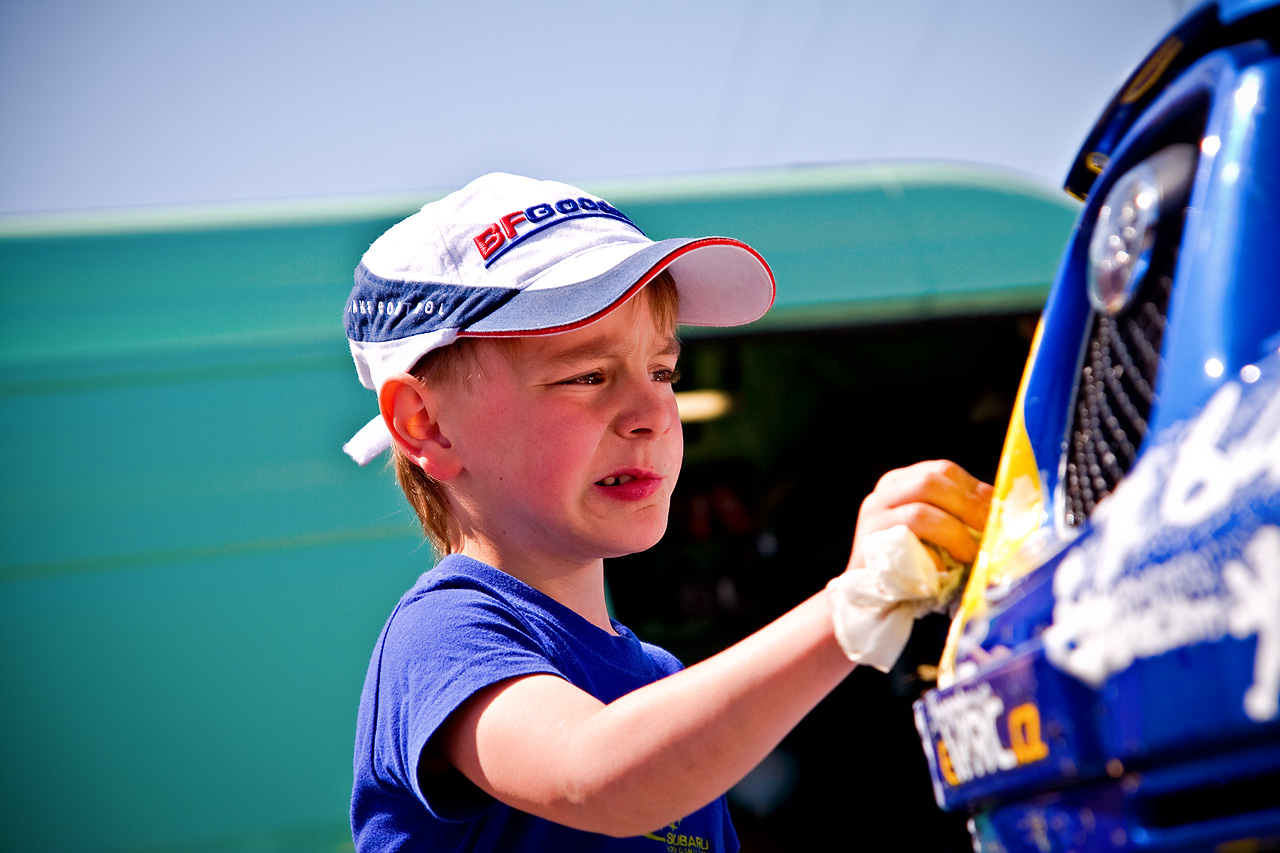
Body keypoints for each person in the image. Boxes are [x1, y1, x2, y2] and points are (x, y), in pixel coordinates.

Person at [342, 172, 992, 851]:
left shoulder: (661, 679)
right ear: (427, 425)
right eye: (587, 375)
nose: (653, 413)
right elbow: (593, 772)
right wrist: (850, 608)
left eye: (662, 372)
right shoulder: (446, 633)